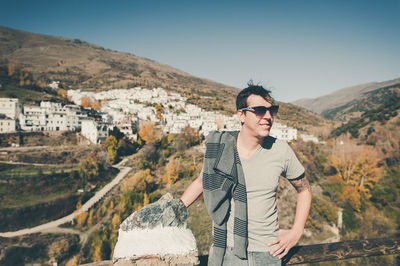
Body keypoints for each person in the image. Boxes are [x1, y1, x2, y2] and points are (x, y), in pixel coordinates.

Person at [180, 83, 312, 265]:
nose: (268, 116)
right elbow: (202, 182)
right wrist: (175, 210)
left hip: (267, 253)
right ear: (241, 115)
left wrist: (296, 231)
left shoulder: (280, 150)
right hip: (226, 251)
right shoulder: (222, 147)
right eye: (259, 110)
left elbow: (304, 190)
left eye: (271, 110)